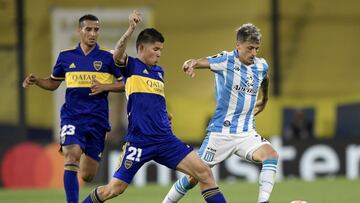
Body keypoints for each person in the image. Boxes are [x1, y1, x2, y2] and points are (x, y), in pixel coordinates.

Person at [82, 11, 227, 203]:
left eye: (161, 50)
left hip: (165, 139)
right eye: (155, 49)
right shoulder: (131, 66)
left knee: (205, 174)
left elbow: (151, 99)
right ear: (141, 47)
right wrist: (131, 29)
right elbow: (117, 55)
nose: (159, 53)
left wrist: (163, 114)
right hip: (139, 141)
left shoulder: (159, 72)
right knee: (114, 190)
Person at [162, 23, 279, 203]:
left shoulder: (261, 65)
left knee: (271, 155)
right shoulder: (225, 60)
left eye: (256, 48)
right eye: (250, 48)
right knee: (194, 178)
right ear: (238, 45)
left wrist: (265, 99)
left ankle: (263, 201)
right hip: (220, 134)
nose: (254, 53)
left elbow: (265, 78)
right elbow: (201, 61)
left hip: (246, 133)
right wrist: (190, 63)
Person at [22, 14, 125, 203]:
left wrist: (105, 87)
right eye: (88, 29)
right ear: (79, 31)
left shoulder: (107, 58)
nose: (93, 33)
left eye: (96, 29)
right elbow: (53, 83)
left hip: (97, 120)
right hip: (72, 117)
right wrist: (38, 81)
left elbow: (126, 84)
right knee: (72, 154)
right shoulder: (66, 57)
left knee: (88, 176)